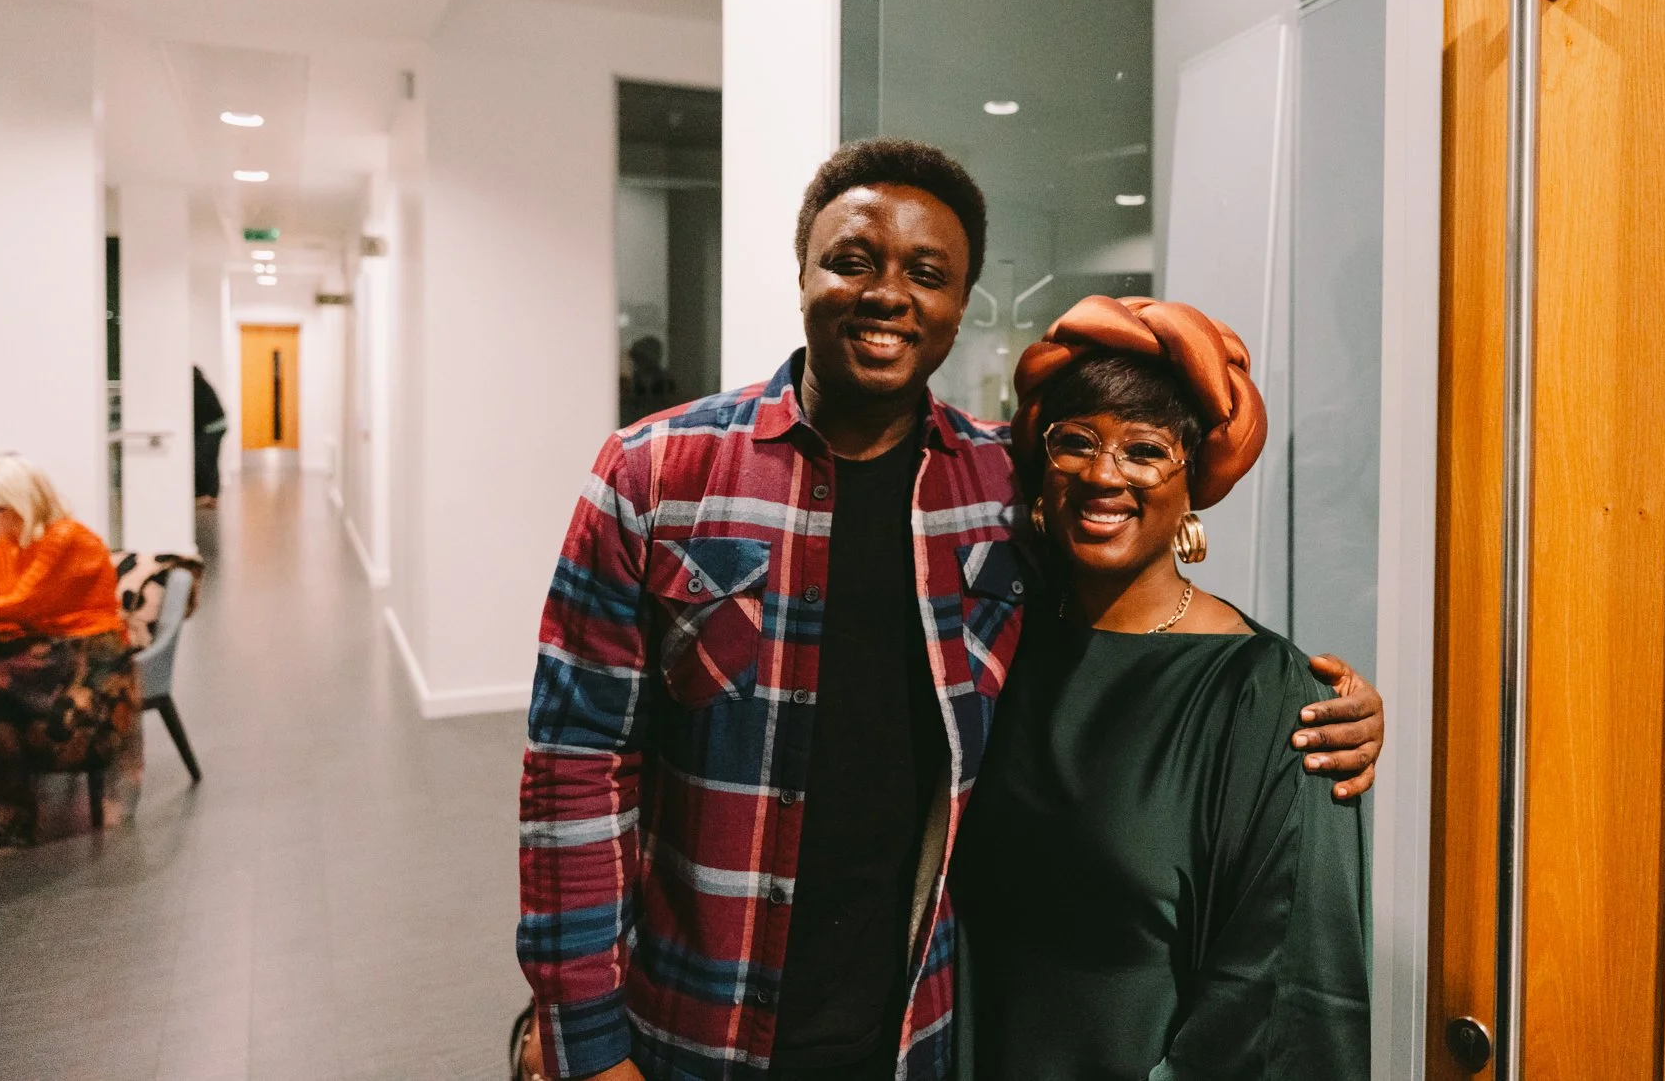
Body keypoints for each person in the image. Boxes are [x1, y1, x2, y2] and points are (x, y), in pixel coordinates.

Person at [516, 139, 1384, 1081]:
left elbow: (1132, 604)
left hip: (917, 1038)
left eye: (928, 273)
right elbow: (574, 772)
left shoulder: (999, 490)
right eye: (852, 260)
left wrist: (1316, 707)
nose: (889, 294)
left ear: (961, 305)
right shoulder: (654, 473)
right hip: (693, 1029)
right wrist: (585, 1041)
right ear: (801, 269)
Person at [951, 296, 1368, 1079]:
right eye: (1076, 442)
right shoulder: (1000, 646)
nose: (1103, 474)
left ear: (1194, 484)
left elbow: (1279, 994)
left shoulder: (1264, 694)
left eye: (1143, 450)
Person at [0, 453, 136, 852]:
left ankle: (8, 814)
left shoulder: (65, 539)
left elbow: (18, 601)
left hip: (83, 656)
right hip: (39, 645)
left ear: (18, 506)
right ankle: (3, 808)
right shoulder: (7, 541)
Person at [193, 365, 226, 508]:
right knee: (210, 460)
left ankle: (206, 496)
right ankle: (211, 495)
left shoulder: (195, 386)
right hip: (217, 425)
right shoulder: (201, 383)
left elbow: (198, 412)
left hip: (211, 427)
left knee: (204, 460)